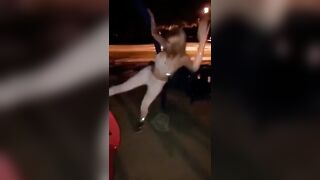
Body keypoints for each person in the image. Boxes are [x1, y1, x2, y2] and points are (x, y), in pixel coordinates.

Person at [109, 10, 210, 131]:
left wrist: (202, 43)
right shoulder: (167, 45)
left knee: (144, 104)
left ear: (179, 42)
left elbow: (195, 67)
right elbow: (153, 33)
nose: (167, 43)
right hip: (147, 73)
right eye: (168, 40)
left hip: (158, 83)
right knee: (123, 87)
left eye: (171, 41)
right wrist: (152, 18)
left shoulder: (183, 58)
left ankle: (141, 121)